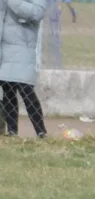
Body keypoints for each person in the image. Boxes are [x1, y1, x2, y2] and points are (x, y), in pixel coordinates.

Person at [0, 0, 48, 138]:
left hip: (22, 47)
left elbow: (37, 13)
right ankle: (12, 131)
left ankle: (41, 131)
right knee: (7, 90)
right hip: (4, 47)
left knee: (25, 90)